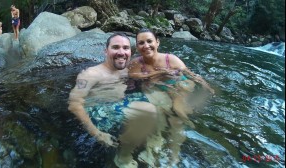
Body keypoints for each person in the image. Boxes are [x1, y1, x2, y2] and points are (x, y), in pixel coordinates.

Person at [68, 33, 157, 168]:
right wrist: (96, 133)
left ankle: (153, 140)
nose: (121, 52)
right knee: (148, 110)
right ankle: (123, 156)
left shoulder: (127, 70)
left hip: (118, 103)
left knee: (159, 98)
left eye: (125, 48)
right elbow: (74, 104)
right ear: (106, 51)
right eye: (115, 47)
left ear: (130, 52)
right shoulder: (91, 74)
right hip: (99, 111)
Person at [128, 28, 215, 166]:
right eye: (141, 43)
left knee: (177, 111)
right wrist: (156, 74)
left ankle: (173, 153)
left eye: (149, 41)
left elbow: (190, 75)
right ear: (137, 46)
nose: (146, 45)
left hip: (178, 85)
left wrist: (206, 87)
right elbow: (133, 75)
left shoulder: (171, 59)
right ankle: (165, 151)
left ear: (157, 42)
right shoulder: (136, 63)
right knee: (164, 113)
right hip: (159, 88)